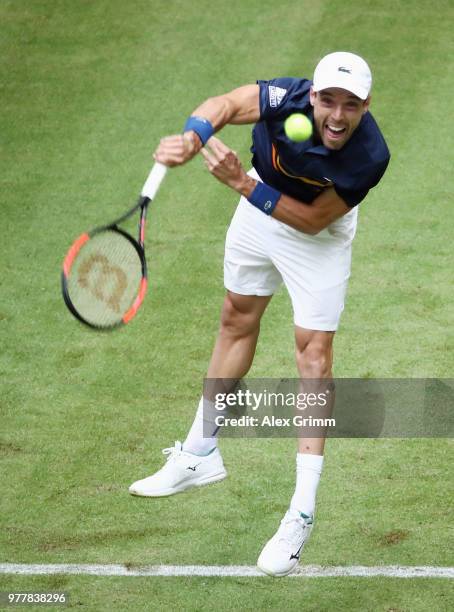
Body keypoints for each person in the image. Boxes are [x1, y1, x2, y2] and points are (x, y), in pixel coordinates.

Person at [129, 51, 390, 577]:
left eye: (351, 105)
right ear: (311, 96)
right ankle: (201, 455)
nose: (338, 115)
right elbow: (224, 104)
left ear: (366, 105)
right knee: (236, 317)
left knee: (313, 355)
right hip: (257, 214)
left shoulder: (369, 156)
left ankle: (301, 513)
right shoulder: (284, 97)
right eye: (328, 100)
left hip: (314, 235)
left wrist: (242, 184)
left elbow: (314, 223)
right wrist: (192, 138)